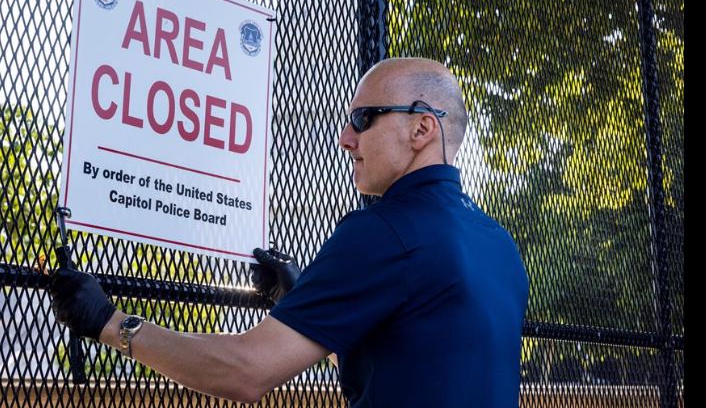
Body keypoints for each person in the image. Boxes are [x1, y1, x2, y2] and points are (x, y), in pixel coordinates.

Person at [49, 57, 529, 407]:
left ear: (422, 128)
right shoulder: (499, 246)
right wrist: (308, 306)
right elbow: (414, 366)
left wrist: (110, 323)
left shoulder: (384, 232)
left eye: (364, 119)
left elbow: (245, 371)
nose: (346, 138)